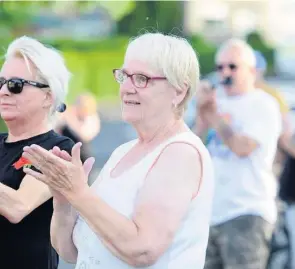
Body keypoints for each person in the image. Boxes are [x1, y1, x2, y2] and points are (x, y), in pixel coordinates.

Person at [22, 32, 215, 269]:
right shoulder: (123, 152)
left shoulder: (181, 154)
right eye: (124, 76)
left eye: (142, 78)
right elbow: (69, 250)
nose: (127, 88)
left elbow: (142, 250)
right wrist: (64, 198)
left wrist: (79, 192)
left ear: (179, 91)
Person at [196, 39, 282, 269]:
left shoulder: (262, 104)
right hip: (211, 213)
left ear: (252, 71)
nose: (225, 72)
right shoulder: (217, 103)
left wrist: (214, 117)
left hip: (246, 213)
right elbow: (194, 149)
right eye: (220, 67)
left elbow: (242, 147)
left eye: (233, 67)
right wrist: (202, 115)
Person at [0, 36, 75, 269]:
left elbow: (18, 206)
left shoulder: (58, 149)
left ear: (48, 96)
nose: (3, 91)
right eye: (0, 82)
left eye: (15, 85)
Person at [55, 92, 100, 162]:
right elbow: (56, 128)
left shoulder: (92, 118)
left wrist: (71, 119)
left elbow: (84, 135)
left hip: (82, 154)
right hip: (65, 152)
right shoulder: (72, 114)